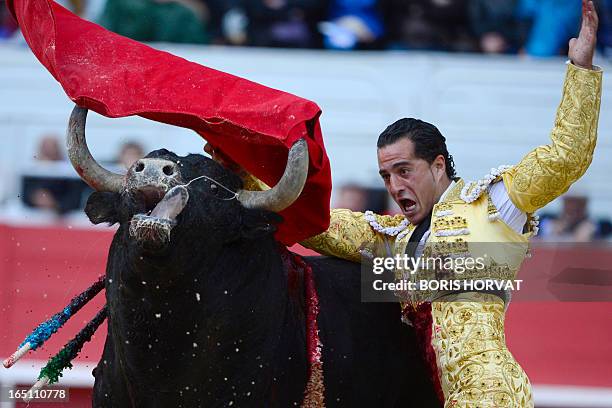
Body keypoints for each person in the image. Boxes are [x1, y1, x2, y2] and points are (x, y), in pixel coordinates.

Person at [210, 1, 602, 405]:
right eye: (385, 176)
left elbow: (566, 157)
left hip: (494, 395)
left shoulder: (495, 205)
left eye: (403, 170)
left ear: (437, 165)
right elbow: (321, 225)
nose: (395, 186)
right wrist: (245, 174)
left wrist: (582, 72)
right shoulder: (395, 241)